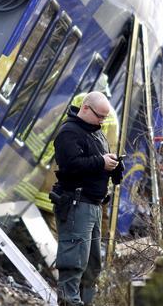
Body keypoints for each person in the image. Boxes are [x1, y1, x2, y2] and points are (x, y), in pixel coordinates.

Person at [50, 91, 123, 306]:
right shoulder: (69, 132)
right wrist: (101, 162)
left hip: (93, 205)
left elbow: (96, 164)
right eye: (99, 116)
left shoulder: (96, 134)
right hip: (76, 203)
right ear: (85, 108)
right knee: (73, 261)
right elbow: (70, 165)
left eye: (104, 117)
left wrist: (114, 166)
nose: (102, 121)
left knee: (92, 264)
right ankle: (69, 302)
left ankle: (85, 302)